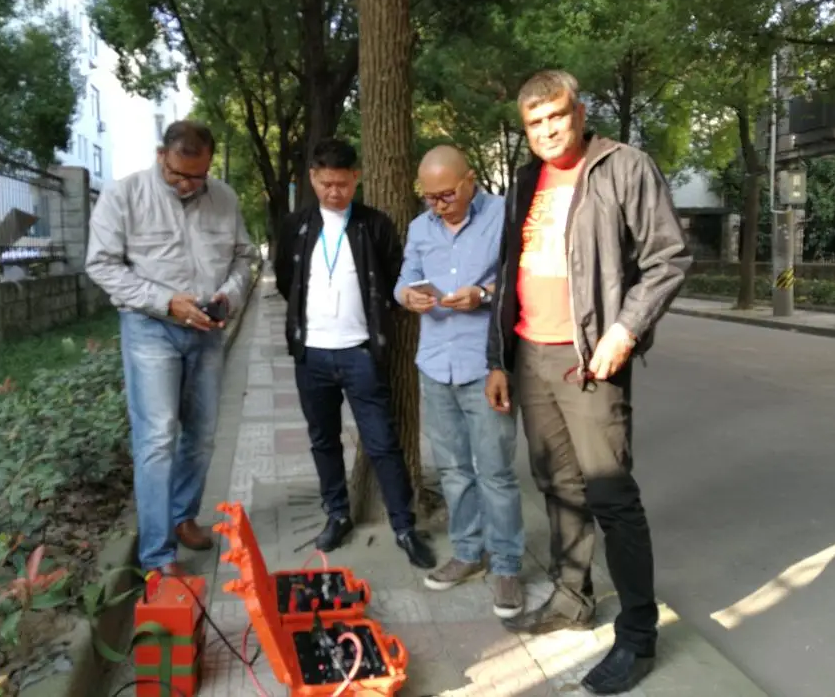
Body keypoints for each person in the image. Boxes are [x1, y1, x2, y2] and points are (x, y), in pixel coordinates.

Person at [485, 70, 691, 695]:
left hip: (589, 359)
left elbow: (668, 257)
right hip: (530, 355)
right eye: (535, 122)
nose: (548, 131)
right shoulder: (525, 180)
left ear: (578, 112)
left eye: (557, 116)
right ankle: (573, 598)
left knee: (611, 496)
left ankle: (638, 635)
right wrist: (499, 359)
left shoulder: (622, 166)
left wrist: (625, 330)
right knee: (556, 484)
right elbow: (509, 271)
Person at [85, 121, 258, 578]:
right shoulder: (124, 196)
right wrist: (166, 302)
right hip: (150, 328)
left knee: (202, 435)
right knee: (158, 437)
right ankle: (158, 556)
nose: (188, 185)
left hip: (208, 329)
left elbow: (245, 256)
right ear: (162, 155)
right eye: (179, 174)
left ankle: (183, 516)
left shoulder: (224, 197)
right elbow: (101, 265)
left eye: (198, 176)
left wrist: (229, 296)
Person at [274, 138, 436, 570]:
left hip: (361, 353)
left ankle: (404, 526)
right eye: (326, 184)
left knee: (382, 441)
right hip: (312, 354)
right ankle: (338, 514)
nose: (334, 192)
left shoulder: (374, 225)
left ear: (356, 178)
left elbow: (394, 277)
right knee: (323, 439)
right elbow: (286, 280)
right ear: (312, 178)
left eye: (343, 184)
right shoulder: (295, 226)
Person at [395, 145, 526, 618]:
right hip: (435, 363)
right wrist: (407, 296)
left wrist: (483, 295)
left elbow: (521, 279)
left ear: (470, 180)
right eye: (429, 197)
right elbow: (405, 277)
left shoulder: (504, 215)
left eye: (446, 195)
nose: (438, 206)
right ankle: (468, 552)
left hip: (484, 365)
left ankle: (507, 564)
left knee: (495, 471)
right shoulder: (420, 227)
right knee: (452, 469)